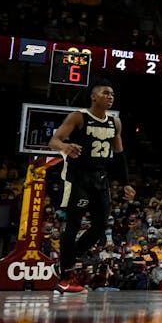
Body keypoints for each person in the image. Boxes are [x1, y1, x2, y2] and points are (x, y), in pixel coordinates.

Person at [49, 83, 136, 294]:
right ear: (93, 97)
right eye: (105, 93)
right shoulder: (78, 117)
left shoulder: (115, 122)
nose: (110, 96)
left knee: (100, 226)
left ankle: (64, 263)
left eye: (112, 93)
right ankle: (65, 278)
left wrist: (126, 183)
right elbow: (54, 140)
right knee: (73, 225)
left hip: (100, 178)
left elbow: (119, 155)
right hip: (77, 177)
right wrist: (65, 147)